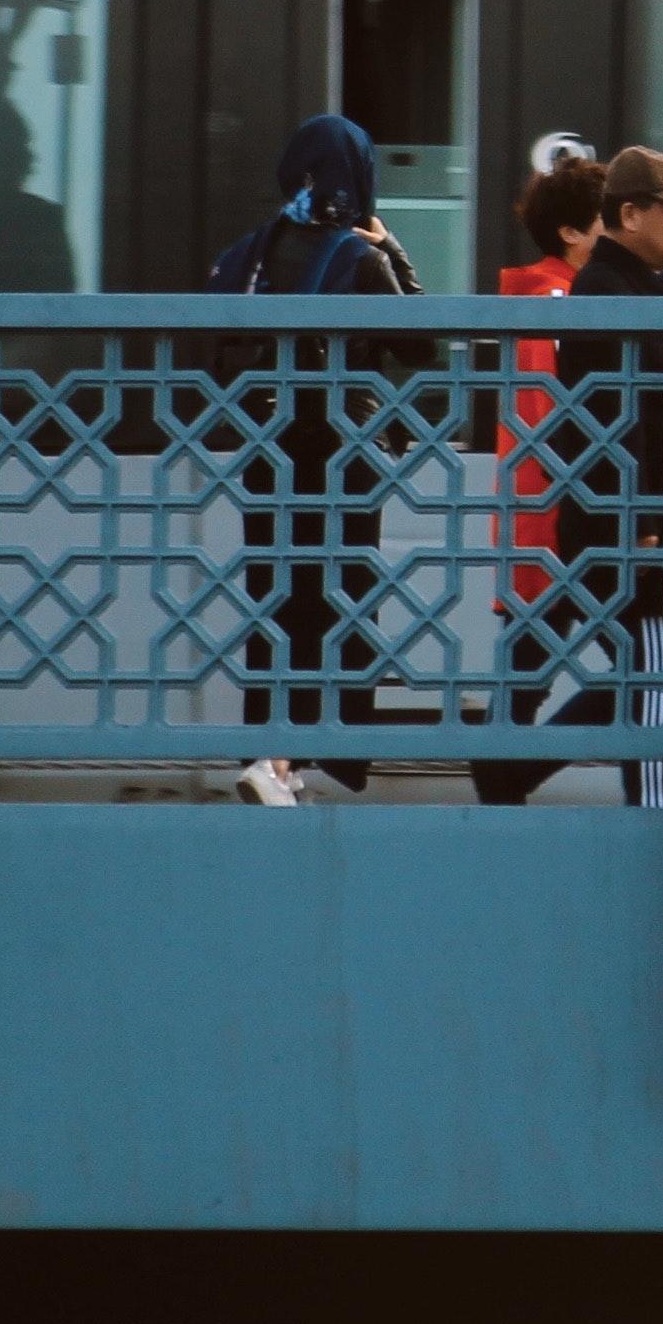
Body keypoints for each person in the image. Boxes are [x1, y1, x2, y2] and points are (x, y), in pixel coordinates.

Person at [473, 143, 663, 808]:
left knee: (652, 671)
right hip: (626, 525)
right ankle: (652, 812)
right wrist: (639, 526)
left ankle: (511, 769)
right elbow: (615, 422)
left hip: (629, 521)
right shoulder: (609, 296)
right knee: (652, 673)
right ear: (629, 214)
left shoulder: (635, 289)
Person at [206, 113, 423, 807]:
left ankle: (274, 760)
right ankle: (302, 756)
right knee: (339, 601)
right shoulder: (360, 258)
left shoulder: (245, 255)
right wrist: (396, 254)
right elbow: (424, 344)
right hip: (342, 454)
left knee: (277, 599)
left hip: (268, 450)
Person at [469, 147, 606, 804]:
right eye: (608, 218)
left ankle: (503, 776)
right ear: (574, 233)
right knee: (653, 671)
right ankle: (506, 775)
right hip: (564, 525)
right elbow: (572, 416)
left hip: (534, 523)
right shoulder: (562, 305)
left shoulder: (538, 299)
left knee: (524, 679)